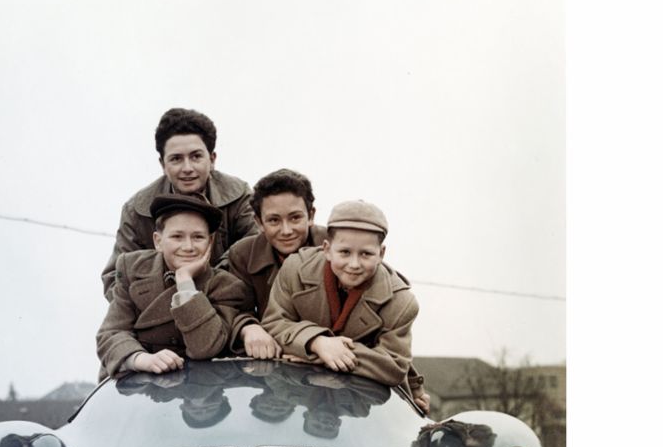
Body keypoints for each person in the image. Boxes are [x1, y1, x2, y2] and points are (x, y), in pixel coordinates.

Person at [261, 199, 429, 409]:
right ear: (327, 249)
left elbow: (393, 366)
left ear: (381, 254)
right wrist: (317, 342)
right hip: (297, 393)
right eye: (345, 252)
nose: (354, 264)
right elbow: (273, 323)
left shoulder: (401, 302)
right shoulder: (295, 269)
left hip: (363, 406)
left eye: (366, 254)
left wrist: (321, 354)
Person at [101, 108, 259, 300]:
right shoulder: (137, 209)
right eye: (176, 159)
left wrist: (208, 292)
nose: (187, 168)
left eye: (196, 156)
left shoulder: (239, 195)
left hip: (223, 304)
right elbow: (114, 279)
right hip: (157, 311)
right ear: (162, 164)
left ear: (212, 159)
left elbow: (255, 255)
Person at [96, 195, 252, 379]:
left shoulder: (226, 285)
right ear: (158, 241)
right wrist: (140, 359)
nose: (188, 246)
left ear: (210, 243)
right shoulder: (132, 268)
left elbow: (205, 347)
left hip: (199, 393)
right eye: (177, 236)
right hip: (137, 385)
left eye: (198, 237)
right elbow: (111, 333)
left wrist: (185, 282)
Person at [220, 168, 327, 360]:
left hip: (327, 356)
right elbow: (233, 307)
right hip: (271, 360)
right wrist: (248, 327)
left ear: (311, 216)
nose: (286, 230)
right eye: (274, 220)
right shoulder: (243, 254)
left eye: (295, 218)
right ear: (259, 222)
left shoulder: (334, 247)